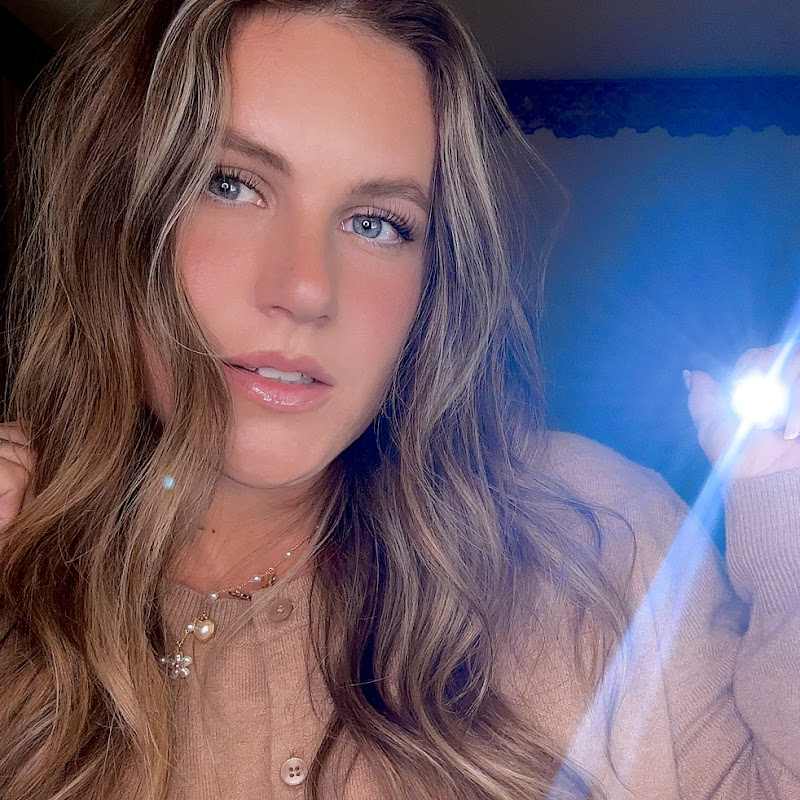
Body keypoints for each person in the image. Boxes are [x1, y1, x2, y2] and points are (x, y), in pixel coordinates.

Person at [0, 0, 798, 798]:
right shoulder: (18, 579)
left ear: (434, 279)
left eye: (378, 224)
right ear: (112, 218)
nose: (307, 289)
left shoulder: (592, 535)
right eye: (229, 184)